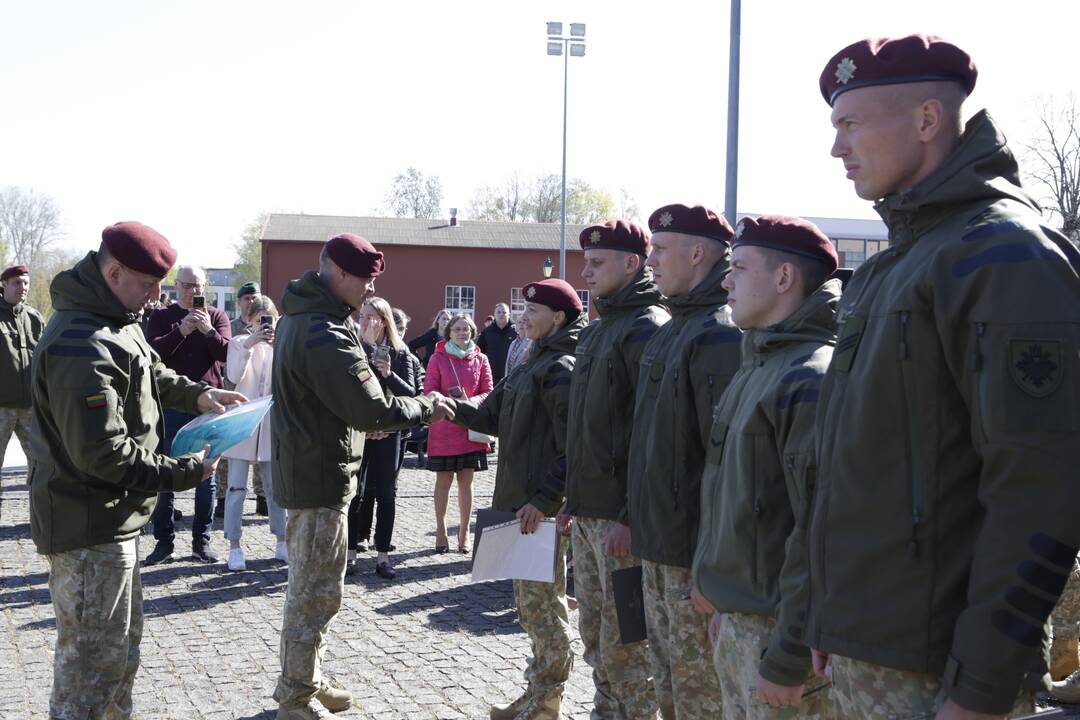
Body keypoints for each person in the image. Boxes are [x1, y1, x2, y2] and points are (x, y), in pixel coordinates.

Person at [807, 34, 1080, 719]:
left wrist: (982, 685)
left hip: (942, 673)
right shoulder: (891, 267)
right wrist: (828, 616)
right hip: (870, 647)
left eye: (850, 124)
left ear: (927, 120)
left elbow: (1041, 490)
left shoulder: (1006, 257)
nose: (836, 147)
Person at [29, 221, 245, 720]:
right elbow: (102, 454)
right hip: (87, 528)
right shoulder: (82, 339)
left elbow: (150, 369)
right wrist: (183, 472)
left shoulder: (116, 316)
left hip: (113, 521)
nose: (157, 297)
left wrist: (198, 393)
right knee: (88, 677)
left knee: (118, 661)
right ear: (114, 270)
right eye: (148, 285)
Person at [270, 232, 452, 720]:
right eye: (367, 280)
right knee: (314, 593)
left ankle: (307, 676)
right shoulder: (322, 330)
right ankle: (296, 694)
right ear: (340, 273)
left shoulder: (310, 317)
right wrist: (424, 408)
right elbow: (371, 408)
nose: (371, 291)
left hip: (317, 468)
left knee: (318, 588)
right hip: (317, 476)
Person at [689, 215, 841, 720]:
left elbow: (819, 532)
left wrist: (790, 651)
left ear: (783, 279)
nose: (725, 280)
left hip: (777, 630)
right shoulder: (757, 366)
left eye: (738, 268)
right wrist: (718, 592)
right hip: (742, 621)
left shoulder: (810, 377)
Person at [448, 279, 585, 720]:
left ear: (558, 318)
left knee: (545, 612)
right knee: (529, 608)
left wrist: (546, 500)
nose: (523, 317)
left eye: (534, 311)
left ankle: (547, 701)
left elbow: (573, 449)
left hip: (535, 512)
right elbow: (491, 415)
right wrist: (446, 405)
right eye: (523, 310)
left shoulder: (561, 366)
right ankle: (536, 692)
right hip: (515, 503)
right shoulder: (531, 360)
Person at [627, 203, 741, 719]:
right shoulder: (676, 327)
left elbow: (721, 465)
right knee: (670, 685)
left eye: (660, 250)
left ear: (698, 253)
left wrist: (710, 564)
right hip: (659, 543)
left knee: (699, 697)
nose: (651, 261)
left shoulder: (719, 333)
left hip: (689, 554)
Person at [557, 220, 667, 718]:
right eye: (585, 261)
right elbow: (586, 428)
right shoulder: (600, 329)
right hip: (589, 513)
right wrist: (570, 498)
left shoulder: (648, 328)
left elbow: (652, 434)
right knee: (597, 637)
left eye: (597, 263)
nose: (585, 272)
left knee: (629, 643)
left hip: (623, 526)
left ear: (632, 263)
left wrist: (629, 513)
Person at [144, 264, 233, 565]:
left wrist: (207, 331)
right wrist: (181, 330)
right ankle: (164, 542)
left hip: (209, 405)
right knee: (166, 473)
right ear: (176, 285)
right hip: (169, 405)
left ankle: (201, 541)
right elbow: (152, 354)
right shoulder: (161, 316)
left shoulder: (217, 316)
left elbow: (226, 355)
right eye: (186, 285)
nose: (192, 291)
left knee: (205, 475)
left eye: (198, 286)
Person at [346, 296, 422, 579]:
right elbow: (347, 387)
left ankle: (383, 557)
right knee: (356, 492)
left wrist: (388, 373)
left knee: (386, 494)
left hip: (390, 434)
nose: (366, 322)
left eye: (372, 317)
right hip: (360, 431)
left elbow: (412, 397)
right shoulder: (353, 350)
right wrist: (363, 349)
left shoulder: (402, 354)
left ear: (385, 321)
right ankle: (350, 552)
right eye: (363, 316)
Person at [223, 295, 287, 571]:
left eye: (267, 317)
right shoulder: (238, 343)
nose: (263, 323)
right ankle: (234, 546)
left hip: (271, 425)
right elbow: (234, 376)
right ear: (249, 319)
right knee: (236, 487)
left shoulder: (281, 346)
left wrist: (276, 345)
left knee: (275, 489)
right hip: (243, 425)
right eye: (257, 317)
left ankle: (281, 540)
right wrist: (251, 343)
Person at [423, 313, 493, 553]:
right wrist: (446, 400)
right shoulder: (437, 358)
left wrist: (468, 402)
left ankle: (464, 532)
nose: (462, 332)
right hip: (444, 426)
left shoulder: (481, 358)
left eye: (466, 329)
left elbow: (488, 392)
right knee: (443, 482)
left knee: (467, 482)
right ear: (449, 333)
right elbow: (429, 389)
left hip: (469, 427)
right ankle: (441, 531)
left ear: (472, 332)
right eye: (457, 329)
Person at [217, 280, 268, 519]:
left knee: (262, 453)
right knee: (231, 456)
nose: (251, 301)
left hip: (263, 398)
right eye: (247, 298)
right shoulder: (233, 327)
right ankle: (222, 498)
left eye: (254, 297)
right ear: (239, 302)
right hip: (233, 393)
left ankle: (262, 496)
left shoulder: (271, 330)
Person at [0, 263, 44, 522]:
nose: (23, 288)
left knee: (41, 465)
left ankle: (40, 518)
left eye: (26, 283)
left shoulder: (34, 317)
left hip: (31, 407)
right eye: (17, 283)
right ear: (3, 284)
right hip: (1, 407)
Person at [392, 307, 427, 471]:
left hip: (403, 421)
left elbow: (418, 390)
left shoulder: (411, 358)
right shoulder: (371, 351)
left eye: (403, 329)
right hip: (376, 423)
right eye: (396, 327)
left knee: (392, 479)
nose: (400, 333)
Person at [477, 302, 519, 385]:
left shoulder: (516, 331)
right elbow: (479, 353)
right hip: (491, 376)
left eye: (504, 312)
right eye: (498, 312)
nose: (501, 314)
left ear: (509, 314)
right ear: (494, 314)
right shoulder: (487, 331)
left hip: (512, 376)